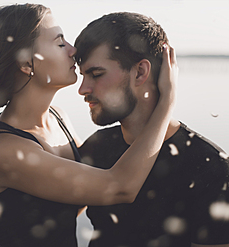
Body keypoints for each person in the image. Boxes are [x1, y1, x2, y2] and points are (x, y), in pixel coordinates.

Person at [0, 4, 176, 247]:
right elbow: (118, 187)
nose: (73, 50)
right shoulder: (3, 150)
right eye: (60, 43)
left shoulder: (59, 119)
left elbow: (72, 200)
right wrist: (167, 102)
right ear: (26, 62)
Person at [75, 12, 229, 247]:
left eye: (96, 74)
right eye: (82, 75)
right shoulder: (97, 147)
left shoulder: (210, 165)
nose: (83, 89)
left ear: (140, 72)